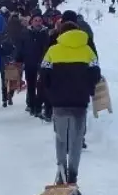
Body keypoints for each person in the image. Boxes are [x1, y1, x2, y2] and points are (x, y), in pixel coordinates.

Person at [39, 21, 101, 185]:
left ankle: (61, 174)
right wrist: (88, 89)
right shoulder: (87, 50)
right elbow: (96, 73)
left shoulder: (53, 50)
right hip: (79, 101)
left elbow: (43, 74)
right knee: (76, 140)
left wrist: (50, 93)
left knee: (60, 138)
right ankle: (73, 176)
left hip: (58, 102)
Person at [17, 13, 52, 118]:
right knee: (31, 86)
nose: (38, 22)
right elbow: (20, 47)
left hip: (42, 64)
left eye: (39, 20)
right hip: (29, 63)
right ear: (31, 22)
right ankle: (32, 106)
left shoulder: (46, 33)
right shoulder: (25, 33)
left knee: (42, 86)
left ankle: (40, 106)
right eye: (35, 20)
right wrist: (18, 59)